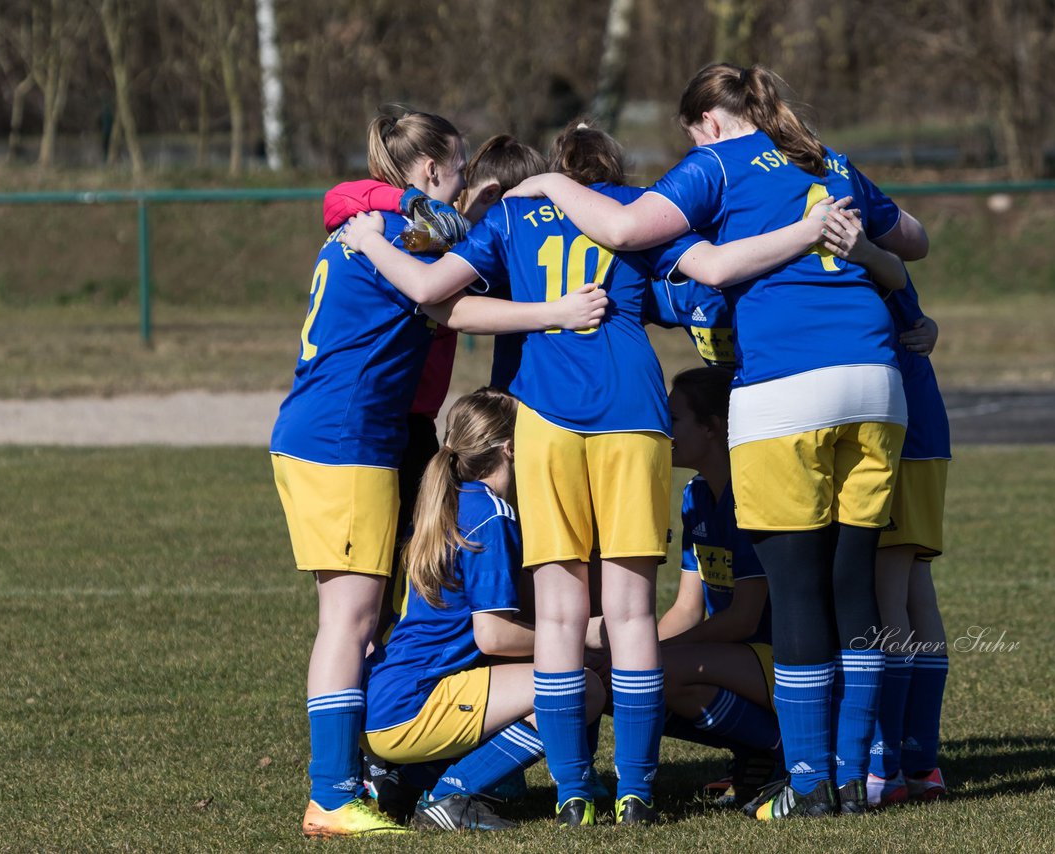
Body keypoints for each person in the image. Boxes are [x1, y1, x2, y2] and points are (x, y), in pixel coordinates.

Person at [340, 119, 843, 826]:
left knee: (557, 611)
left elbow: (438, 298)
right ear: (611, 168)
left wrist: (534, 311)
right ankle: (635, 792)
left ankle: (576, 792)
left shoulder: (515, 213)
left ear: (556, 167)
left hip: (542, 417)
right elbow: (707, 281)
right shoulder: (638, 211)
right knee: (632, 610)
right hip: (633, 413)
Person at [503, 64, 928, 819]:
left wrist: (552, 186)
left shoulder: (718, 163)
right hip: (876, 381)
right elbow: (916, 240)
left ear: (709, 123)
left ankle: (808, 784)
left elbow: (630, 229)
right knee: (854, 581)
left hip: (788, 384)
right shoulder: (826, 159)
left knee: (796, 589)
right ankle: (858, 775)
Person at [270, 106, 607, 839]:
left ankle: (366, 777)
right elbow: (447, 304)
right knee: (351, 623)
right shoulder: (401, 232)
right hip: (343, 434)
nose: (457, 186)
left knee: (365, 619)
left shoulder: (383, 218)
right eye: (454, 170)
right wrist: (556, 311)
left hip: (340, 431)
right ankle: (332, 794)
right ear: (429, 169)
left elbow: (353, 202)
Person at [362, 387, 606, 831]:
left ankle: (405, 780)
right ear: (512, 448)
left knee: (556, 670)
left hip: (387, 703)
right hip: (413, 706)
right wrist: (578, 635)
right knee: (580, 685)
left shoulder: (451, 503)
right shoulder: (493, 516)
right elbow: (492, 635)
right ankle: (452, 793)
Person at [656, 366, 783, 808]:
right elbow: (686, 609)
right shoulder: (695, 494)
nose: (662, 430)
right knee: (626, 675)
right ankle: (757, 751)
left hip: (781, 660)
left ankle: (782, 748)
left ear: (713, 429)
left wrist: (663, 655)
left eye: (673, 420)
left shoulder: (750, 493)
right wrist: (628, 652)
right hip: (734, 656)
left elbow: (745, 617)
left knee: (655, 672)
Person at [866, 276, 952, 807]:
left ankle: (887, 763)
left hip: (897, 431)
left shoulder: (854, 244)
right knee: (914, 584)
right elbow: (916, 319)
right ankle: (921, 761)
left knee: (888, 590)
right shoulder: (879, 248)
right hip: (922, 429)